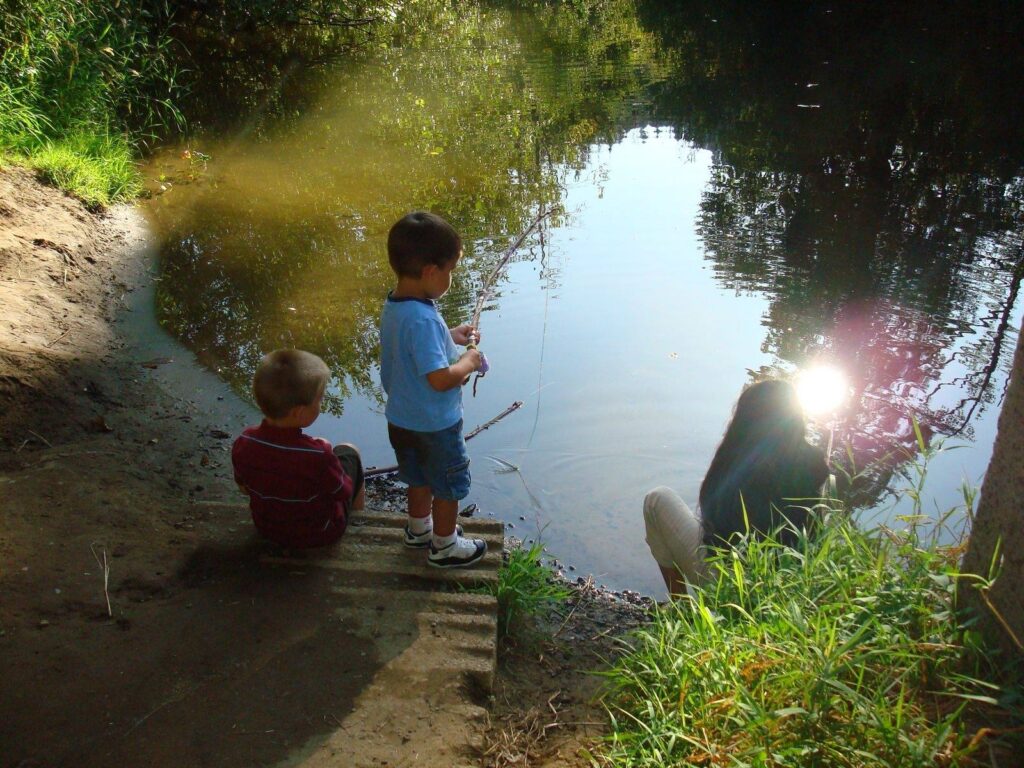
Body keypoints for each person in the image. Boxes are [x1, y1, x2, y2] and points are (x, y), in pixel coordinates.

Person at [643, 379, 828, 595]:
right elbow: (814, 531)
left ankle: (681, 607)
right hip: (787, 587)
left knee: (656, 499)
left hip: (732, 586)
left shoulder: (736, 460)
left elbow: (713, 519)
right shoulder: (815, 463)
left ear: (745, 417)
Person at [379, 211, 487, 568]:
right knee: (446, 484)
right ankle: (444, 545)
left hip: (401, 419)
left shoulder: (397, 305)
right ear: (430, 271)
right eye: (450, 270)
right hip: (434, 425)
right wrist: (469, 361)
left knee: (416, 477)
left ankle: (418, 530)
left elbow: (414, 349)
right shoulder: (423, 318)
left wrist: (450, 336)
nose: (451, 279)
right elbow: (439, 378)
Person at [232, 348, 365, 549]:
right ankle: (359, 520)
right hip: (320, 534)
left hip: (267, 529)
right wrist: (328, 453)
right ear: (299, 412)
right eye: (320, 399)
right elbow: (343, 491)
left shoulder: (244, 442)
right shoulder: (318, 455)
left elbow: (243, 488)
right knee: (349, 451)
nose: (321, 403)